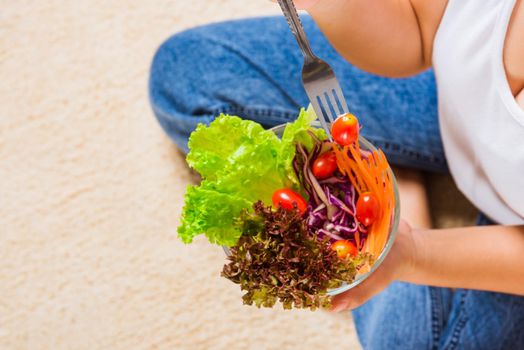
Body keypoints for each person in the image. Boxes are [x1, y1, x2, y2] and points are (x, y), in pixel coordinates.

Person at [149, 0, 524, 348]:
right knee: (184, 72)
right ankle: (379, 173)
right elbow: (423, 34)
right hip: (453, 92)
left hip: (513, 224)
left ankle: (387, 183)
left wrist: (410, 253)